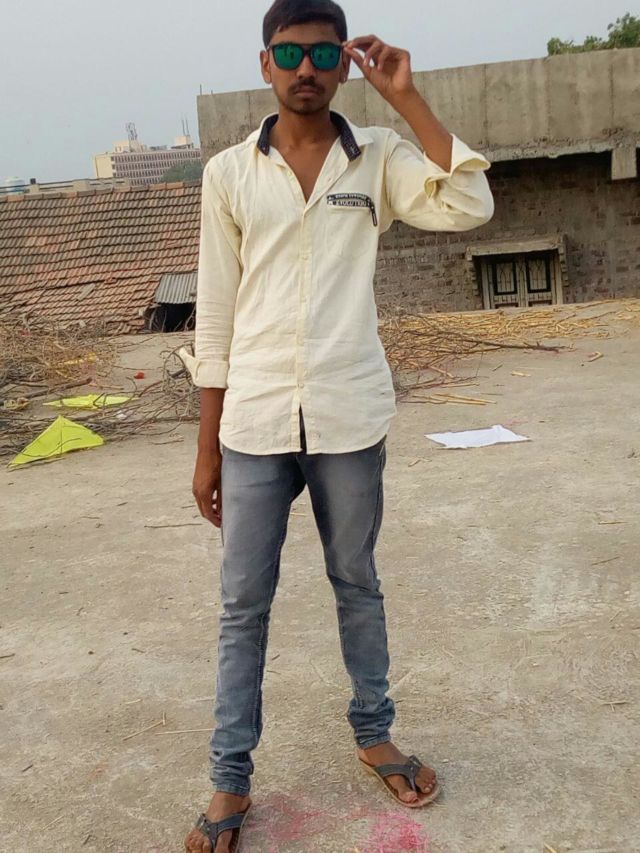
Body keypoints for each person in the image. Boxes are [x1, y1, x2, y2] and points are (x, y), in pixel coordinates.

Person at [183, 1, 494, 849]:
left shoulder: (379, 158)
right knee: (243, 603)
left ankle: (374, 731)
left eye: (324, 55)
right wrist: (206, 449)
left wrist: (406, 97)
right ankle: (229, 777)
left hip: (349, 415)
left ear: (345, 65)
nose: (306, 70)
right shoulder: (229, 174)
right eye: (290, 54)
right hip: (253, 420)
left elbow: (470, 202)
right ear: (265, 64)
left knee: (356, 579)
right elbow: (216, 318)